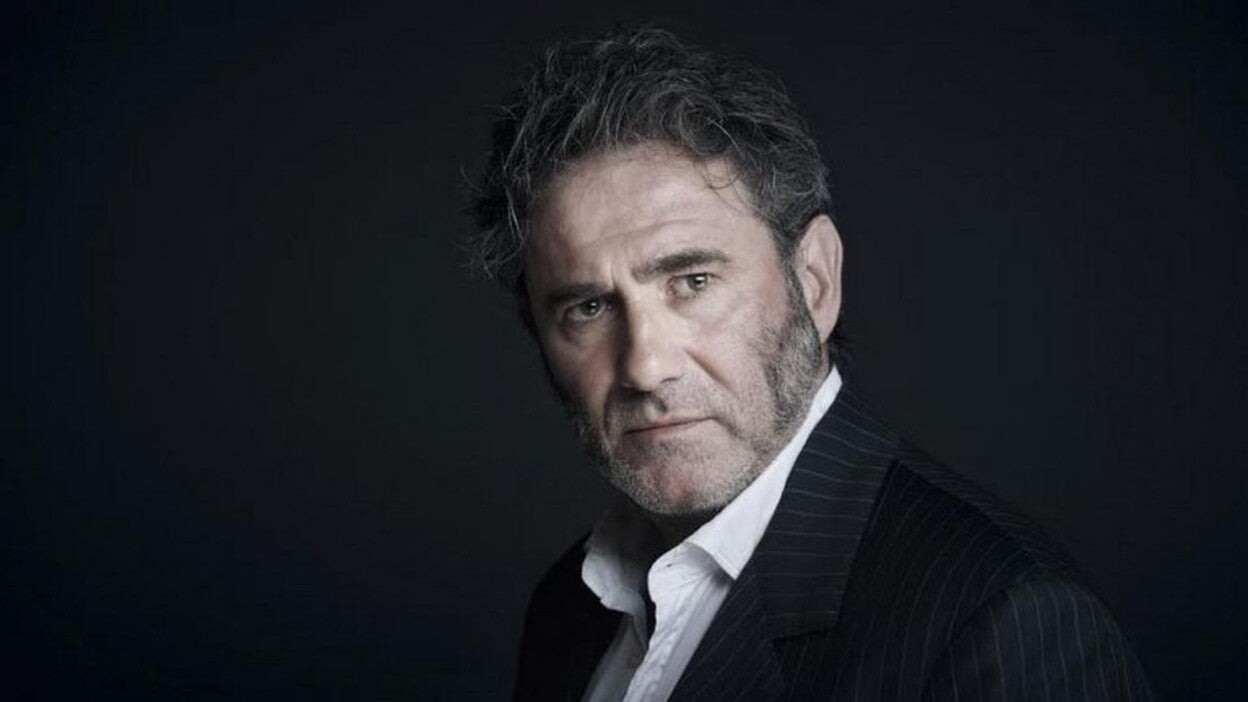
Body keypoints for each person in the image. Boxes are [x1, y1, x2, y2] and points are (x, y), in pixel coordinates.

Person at [470, 28, 1151, 701]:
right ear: (537, 331)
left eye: (693, 282)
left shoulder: (1003, 621)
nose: (645, 367)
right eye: (587, 308)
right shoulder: (570, 606)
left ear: (816, 281)